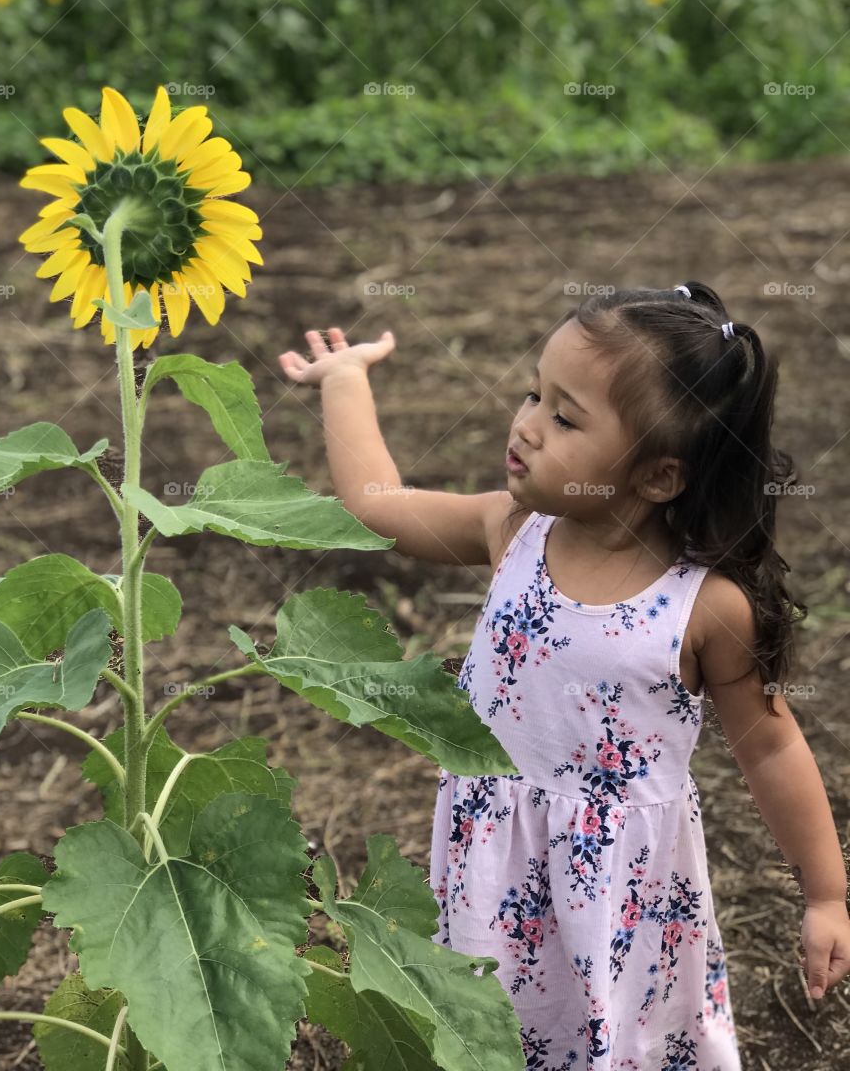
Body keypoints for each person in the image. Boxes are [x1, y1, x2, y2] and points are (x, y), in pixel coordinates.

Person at [278, 281, 850, 1070]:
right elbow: (380, 506)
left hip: (622, 893)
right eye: (532, 393)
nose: (527, 424)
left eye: (565, 416)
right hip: (495, 861)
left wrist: (824, 895)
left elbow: (772, 750)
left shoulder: (703, 608)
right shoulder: (512, 530)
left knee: (621, 1040)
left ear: (658, 477)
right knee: (487, 1035)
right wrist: (344, 383)